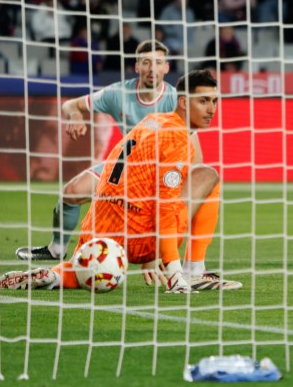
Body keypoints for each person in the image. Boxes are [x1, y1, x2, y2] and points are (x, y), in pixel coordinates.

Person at [15, 42, 238, 290]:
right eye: (205, 101)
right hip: (138, 226)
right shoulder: (162, 125)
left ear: (166, 68)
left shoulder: (154, 118)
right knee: (208, 176)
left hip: (101, 220)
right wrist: (167, 263)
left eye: (215, 101)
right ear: (184, 102)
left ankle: (56, 274)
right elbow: (170, 201)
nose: (212, 109)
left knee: (88, 260)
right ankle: (192, 271)